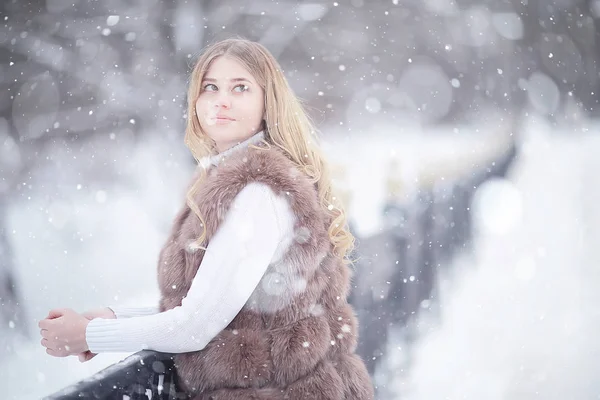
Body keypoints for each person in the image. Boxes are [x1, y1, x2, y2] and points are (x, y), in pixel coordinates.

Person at [38, 37, 374, 399]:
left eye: (240, 87)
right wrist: (115, 319)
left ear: (268, 102)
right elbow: (219, 306)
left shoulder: (258, 195)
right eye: (209, 87)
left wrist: (89, 336)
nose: (221, 100)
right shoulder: (239, 181)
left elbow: (196, 325)